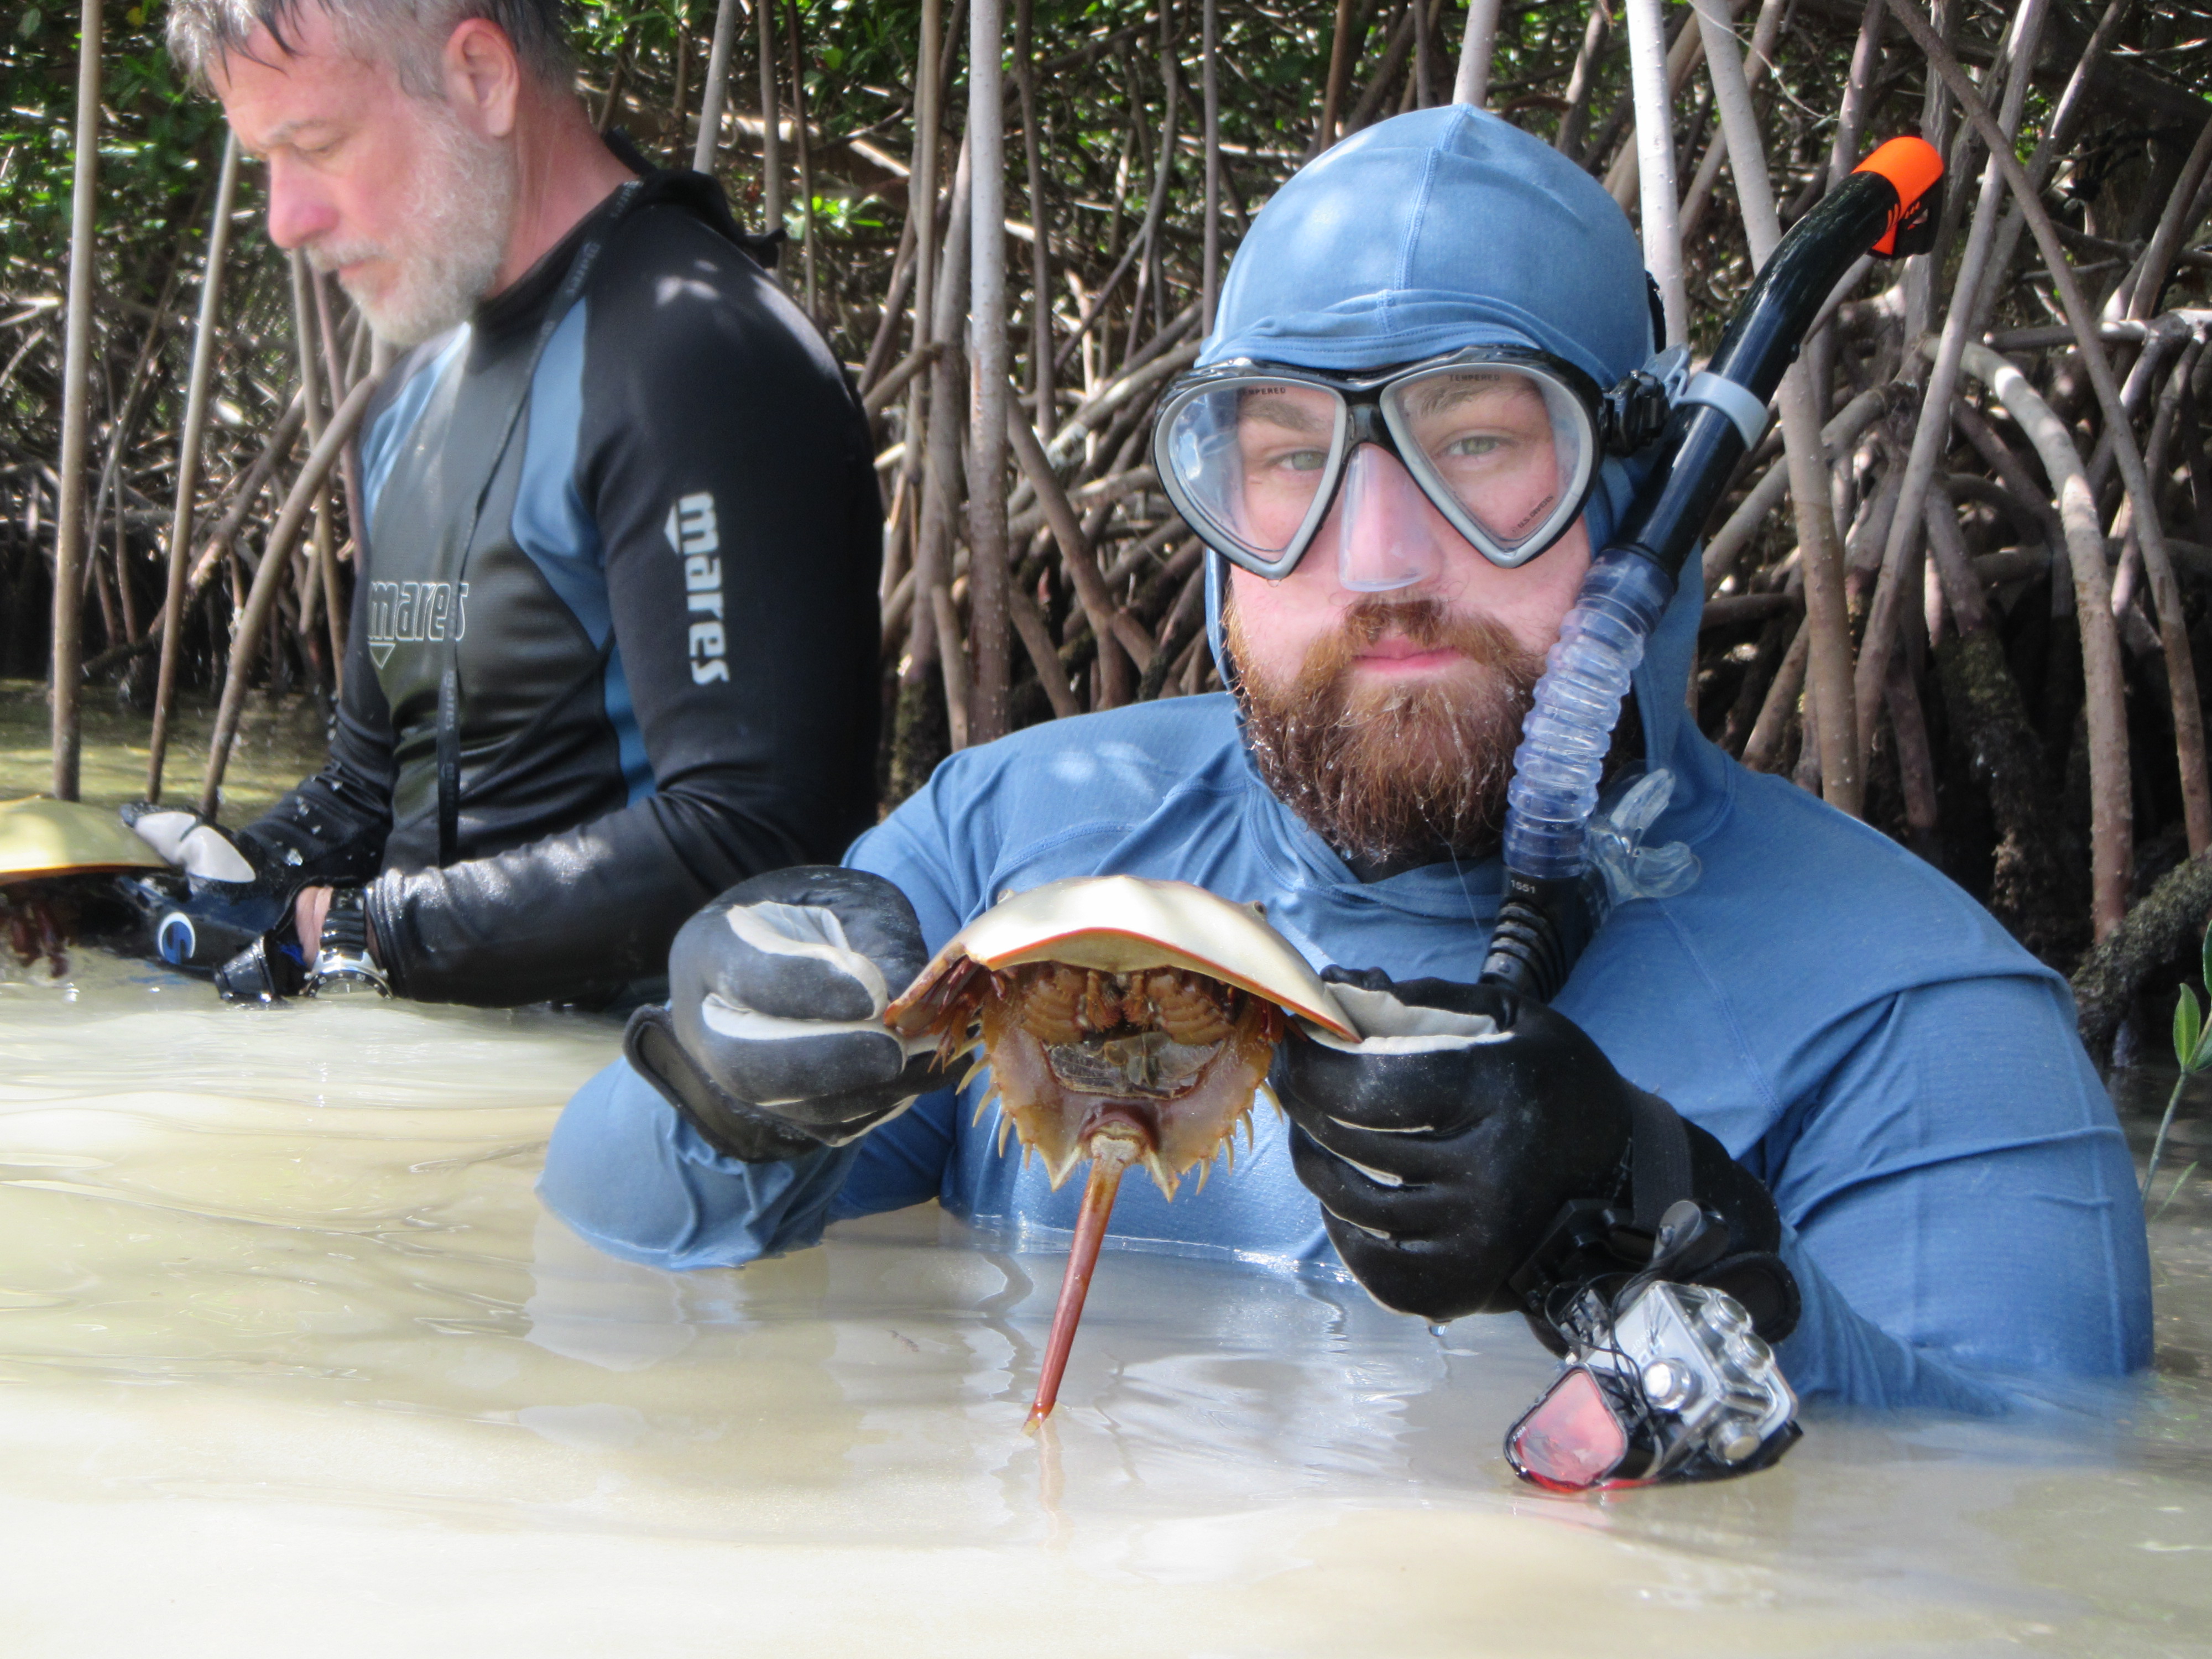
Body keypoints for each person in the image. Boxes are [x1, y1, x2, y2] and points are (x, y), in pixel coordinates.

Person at [537, 107, 2151, 1408]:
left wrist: (1663, 1234)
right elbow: (597, 1284)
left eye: (1479, 444)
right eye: (1287, 460)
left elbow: (2028, 1531)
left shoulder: (1918, 1023)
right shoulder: (1011, 852)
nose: (1377, 558)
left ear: (1639, 496)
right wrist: (713, 1094)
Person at [131, 0, 881, 1007]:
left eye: (317, 146)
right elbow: (366, 790)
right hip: (413, 1065)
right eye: (267, 161)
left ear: (481, 78)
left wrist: (363, 933)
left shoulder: (695, 353)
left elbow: (753, 833)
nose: (284, 219)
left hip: (624, 1076)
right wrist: (202, 885)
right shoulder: (409, 396)